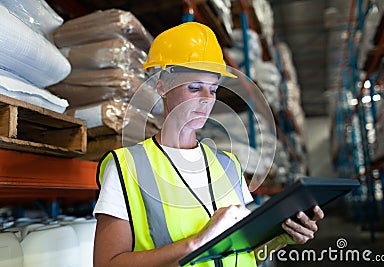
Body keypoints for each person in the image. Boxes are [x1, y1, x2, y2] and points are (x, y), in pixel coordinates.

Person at [93, 22, 324, 267]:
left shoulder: (228, 165)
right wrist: (198, 242)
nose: (207, 100)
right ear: (162, 86)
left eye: (213, 90)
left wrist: (281, 237)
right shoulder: (127, 167)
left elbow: (245, 252)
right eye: (195, 88)